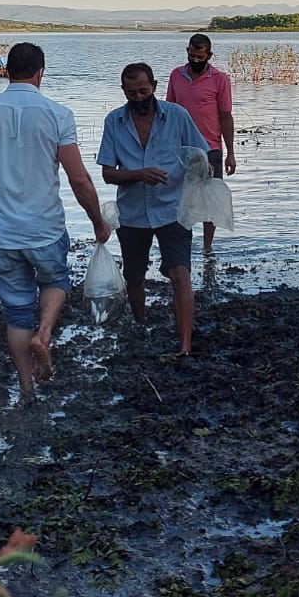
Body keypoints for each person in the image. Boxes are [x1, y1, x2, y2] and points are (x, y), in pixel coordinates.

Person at [0, 42, 111, 403]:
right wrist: (97, 220)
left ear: (7, 71)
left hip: (0, 234)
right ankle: (46, 332)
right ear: (40, 72)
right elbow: (79, 179)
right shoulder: (58, 114)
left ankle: (25, 390)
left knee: (17, 311)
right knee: (55, 280)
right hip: (45, 229)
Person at [97, 62, 207, 356]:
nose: (138, 98)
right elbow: (108, 173)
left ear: (155, 87)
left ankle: (185, 345)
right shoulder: (113, 122)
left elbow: (200, 156)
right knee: (134, 276)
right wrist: (137, 174)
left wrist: (202, 176)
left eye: (143, 91)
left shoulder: (177, 116)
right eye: (131, 93)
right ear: (123, 91)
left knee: (181, 275)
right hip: (133, 214)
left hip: (174, 210)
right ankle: (141, 323)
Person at [165, 32, 236, 253]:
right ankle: (180, 245)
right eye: (192, 56)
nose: (195, 61)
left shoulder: (220, 79)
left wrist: (230, 153)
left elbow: (225, 116)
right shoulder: (176, 75)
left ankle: (207, 249)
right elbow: (169, 112)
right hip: (181, 150)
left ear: (209, 55)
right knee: (177, 198)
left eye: (200, 57)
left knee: (210, 201)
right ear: (187, 52)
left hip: (210, 149)